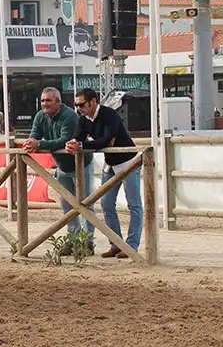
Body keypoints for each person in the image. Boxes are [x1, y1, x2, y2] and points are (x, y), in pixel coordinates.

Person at [68, 88, 140, 258]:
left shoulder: (109, 115)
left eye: (81, 104)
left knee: (134, 205)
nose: (79, 108)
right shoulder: (83, 119)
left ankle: (131, 245)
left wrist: (82, 145)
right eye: (76, 105)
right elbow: (79, 138)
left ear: (93, 102)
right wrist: (71, 144)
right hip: (111, 163)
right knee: (106, 204)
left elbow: (107, 140)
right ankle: (115, 243)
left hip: (129, 161)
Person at [26, 86, 94, 255]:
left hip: (81, 164)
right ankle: (73, 241)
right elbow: (34, 134)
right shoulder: (40, 116)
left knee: (85, 204)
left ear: (58, 101)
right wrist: (30, 142)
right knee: (67, 206)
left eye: (48, 100)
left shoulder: (70, 116)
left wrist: (39, 144)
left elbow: (64, 140)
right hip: (62, 167)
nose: (44, 104)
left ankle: (88, 243)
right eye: (42, 100)